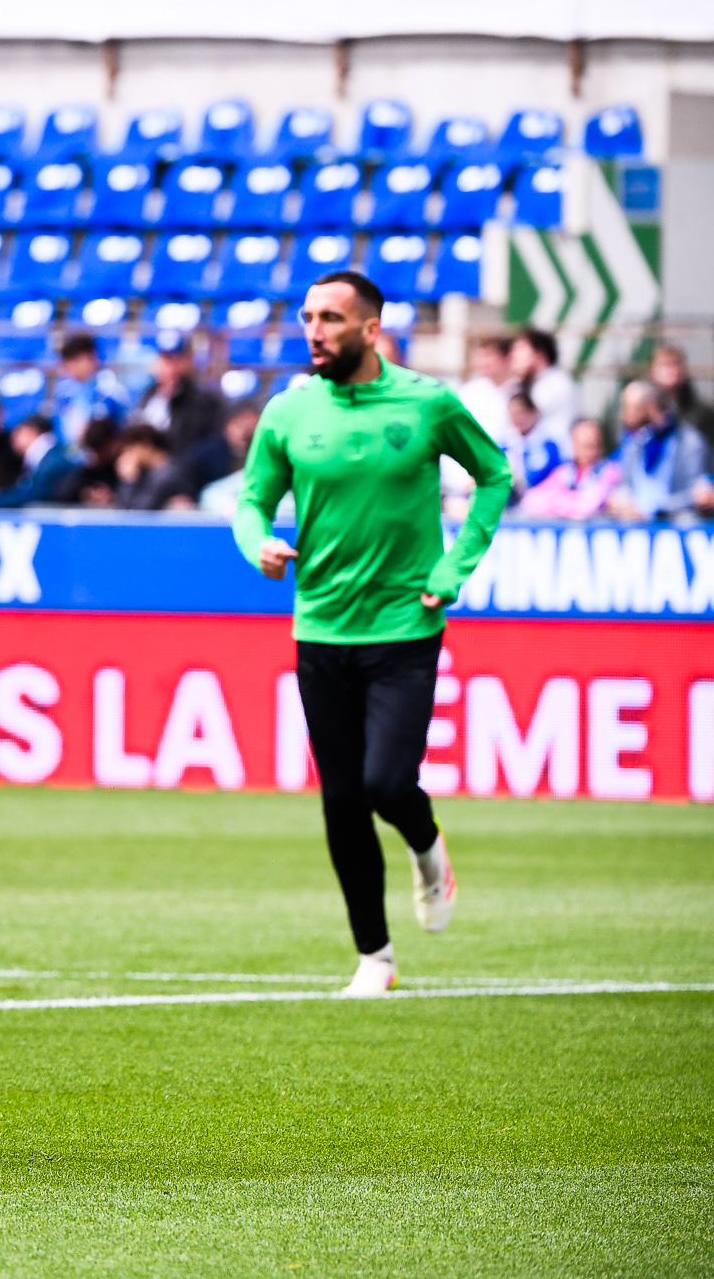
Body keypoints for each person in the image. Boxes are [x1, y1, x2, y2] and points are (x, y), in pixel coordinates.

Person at [234, 271, 509, 998]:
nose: (314, 329)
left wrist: (455, 565)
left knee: (386, 781)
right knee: (341, 799)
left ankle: (426, 844)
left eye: (330, 317)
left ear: (370, 329)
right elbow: (251, 500)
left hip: (404, 620)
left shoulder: (427, 403)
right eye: (306, 316)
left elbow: (494, 474)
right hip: (320, 625)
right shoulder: (289, 410)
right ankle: (375, 958)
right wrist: (257, 541)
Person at [607, 378, 708, 523]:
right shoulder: (635, 441)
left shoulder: (689, 442)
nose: (622, 415)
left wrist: (650, 511)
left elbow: (697, 496)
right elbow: (624, 485)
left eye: (629, 407)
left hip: (673, 528)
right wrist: (620, 500)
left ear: (650, 407)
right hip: (636, 527)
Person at [133, 337, 227, 483]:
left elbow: (199, 448)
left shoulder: (202, 402)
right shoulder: (147, 396)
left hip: (181, 475)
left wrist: (163, 462)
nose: (170, 367)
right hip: (144, 470)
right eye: (165, 359)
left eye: (176, 360)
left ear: (186, 362)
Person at [519, 419, 620, 520]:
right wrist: (568, 502)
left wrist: (558, 501)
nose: (587, 451)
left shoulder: (608, 472)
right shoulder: (564, 472)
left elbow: (587, 507)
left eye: (591, 445)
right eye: (582, 445)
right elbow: (530, 501)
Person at [47, 333, 130, 448]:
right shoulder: (63, 392)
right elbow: (59, 430)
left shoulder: (111, 391)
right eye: (67, 361)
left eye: (75, 360)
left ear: (91, 358)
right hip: (67, 454)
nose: (69, 366)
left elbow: (119, 429)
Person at [0, 414, 74, 507]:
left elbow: (35, 495)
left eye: (17, 433)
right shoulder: (50, 456)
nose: (13, 441)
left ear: (31, 431)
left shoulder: (52, 460)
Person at [509, 327, 577, 441]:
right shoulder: (526, 383)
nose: (513, 356)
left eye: (520, 349)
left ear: (540, 354)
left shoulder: (557, 384)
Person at [112, 422, 196, 510]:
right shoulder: (150, 472)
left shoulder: (168, 475)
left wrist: (129, 480)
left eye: (130, 449)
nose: (128, 455)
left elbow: (137, 512)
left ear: (146, 444)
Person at [502, 390, 565, 495]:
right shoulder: (505, 443)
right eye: (513, 415)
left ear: (532, 411)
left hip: (544, 496)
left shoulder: (549, 443)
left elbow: (555, 472)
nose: (518, 419)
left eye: (521, 413)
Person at [456, 335, 515, 445]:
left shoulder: (521, 390)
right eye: (479, 356)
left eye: (488, 355)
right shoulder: (469, 391)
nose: (482, 362)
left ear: (507, 357)